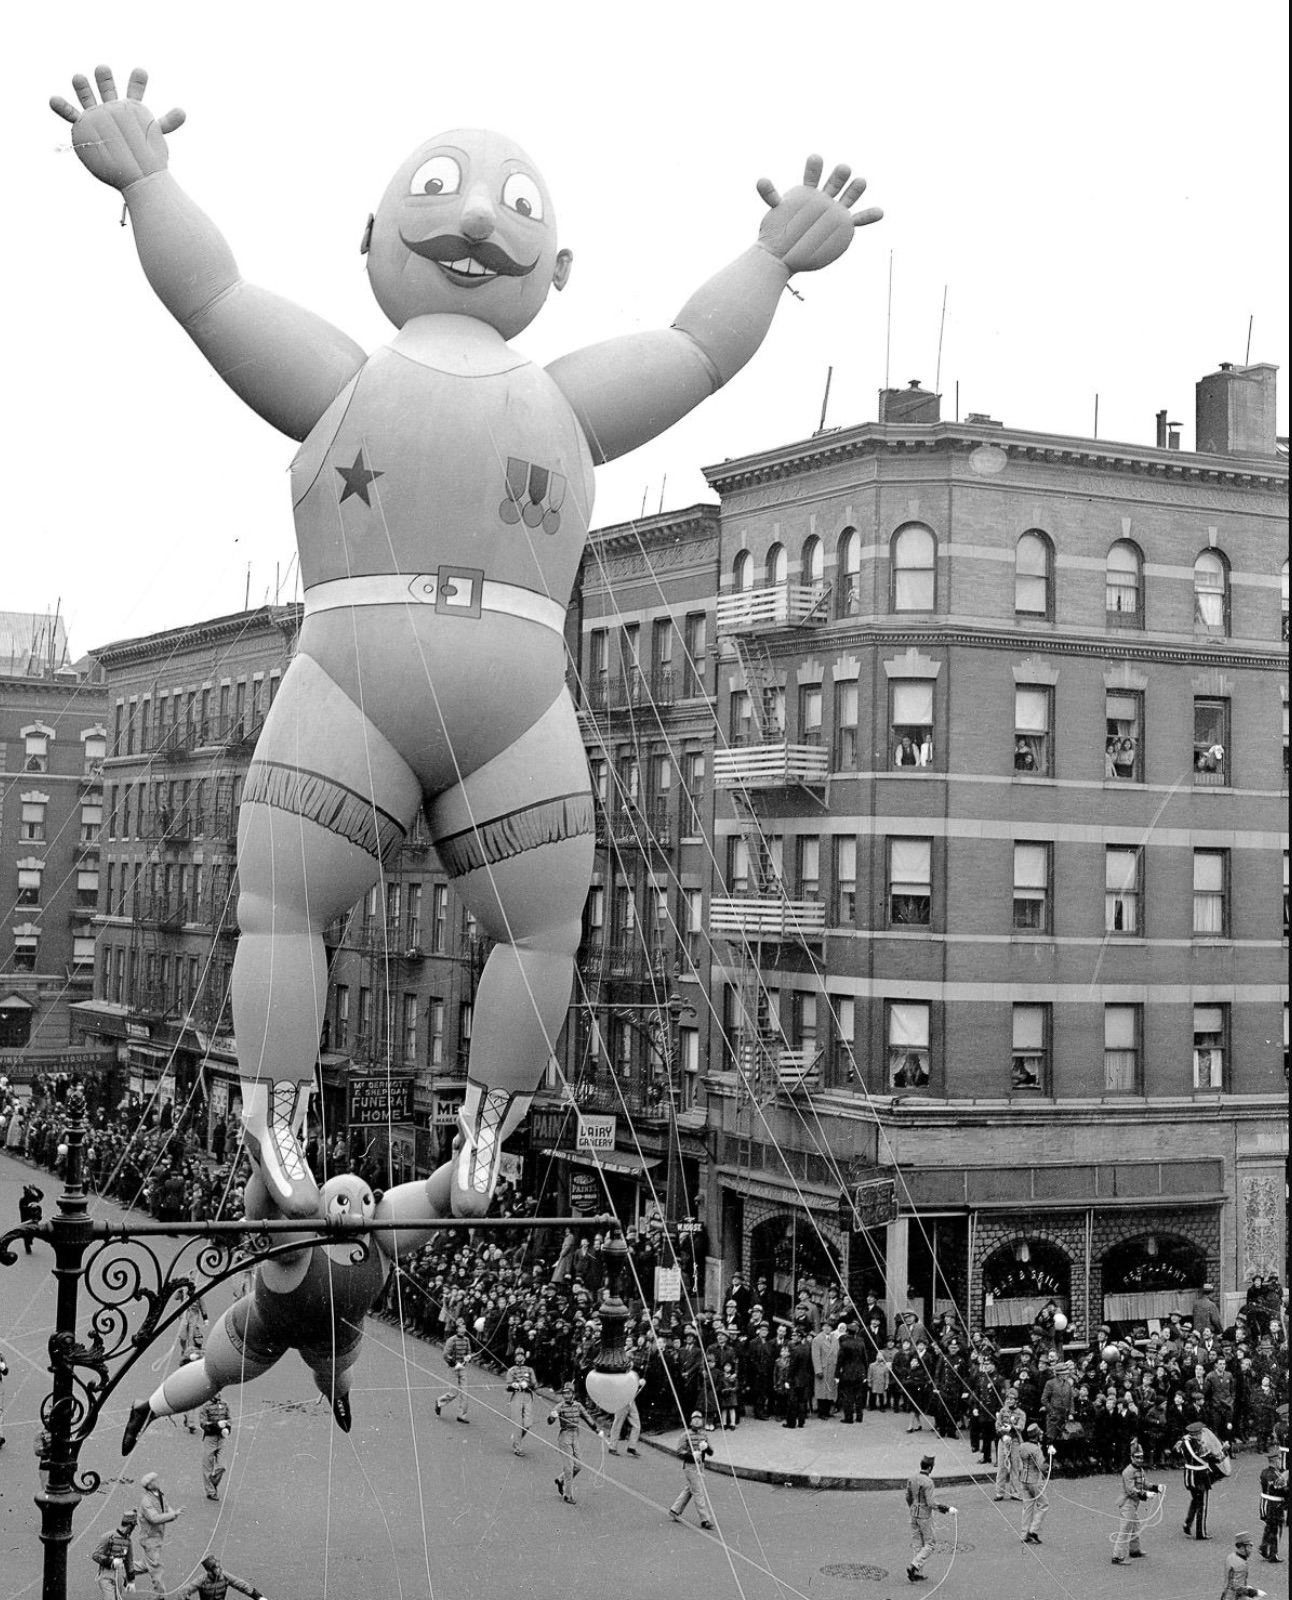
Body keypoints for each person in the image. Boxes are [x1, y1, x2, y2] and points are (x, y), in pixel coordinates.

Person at [50, 67, 881, 1227]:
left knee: (538, 924)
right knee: (288, 906)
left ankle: (485, 1131)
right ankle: (280, 1114)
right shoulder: (353, 378)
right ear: (373, 236)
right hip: (362, 684)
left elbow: (697, 348)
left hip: (489, 702)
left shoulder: (561, 398)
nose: (480, 219)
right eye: (443, 193)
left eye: (513, 205)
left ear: (562, 269)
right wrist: (147, 182)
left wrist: (768, 262)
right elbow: (215, 295)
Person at [546, 1380, 601, 1504]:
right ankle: (567, 1495)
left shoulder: (578, 1406)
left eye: (568, 1393)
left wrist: (596, 1429)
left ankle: (561, 1480)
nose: (566, 1395)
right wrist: (552, 1417)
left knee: (578, 1466)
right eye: (564, 1393)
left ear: (573, 1394)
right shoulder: (560, 1406)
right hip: (564, 1437)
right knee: (569, 1468)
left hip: (575, 1435)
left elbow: (587, 1417)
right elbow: (549, 1421)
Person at [1111, 1438, 1162, 1565]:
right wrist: (1145, 1495)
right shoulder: (1127, 1472)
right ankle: (1117, 1557)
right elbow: (1131, 1491)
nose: (1140, 1460)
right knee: (1125, 1529)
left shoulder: (1140, 1470)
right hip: (1127, 1503)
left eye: (1141, 1457)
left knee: (1135, 1526)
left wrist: (1155, 1487)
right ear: (1132, 1458)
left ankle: (1134, 1550)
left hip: (1134, 1503)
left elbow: (1143, 1483)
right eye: (1137, 1457)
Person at [905, 1453, 953, 1584]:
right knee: (930, 1544)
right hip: (924, 1516)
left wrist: (912, 1507)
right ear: (930, 1468)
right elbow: (931, 1503)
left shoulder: (912, 1478)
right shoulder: (928, 1482)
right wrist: (947, 1509)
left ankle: (916, 1572)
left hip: (913, 1513)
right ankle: (914, 1565)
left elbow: (908, 1496)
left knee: (917, 1544)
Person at [136, 1470, 181, 1596]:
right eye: (155, 1481)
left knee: (148, 1564)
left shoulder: (159, 1495)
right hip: (150, 1538)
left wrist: (173, 1513)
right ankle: (159, 1594)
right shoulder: (146, 1502)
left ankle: (125, 1570)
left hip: (157, 1537)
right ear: (149, 1486)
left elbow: (166, 1507)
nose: (158, 1481)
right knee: (156, 1567)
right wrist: (173, 1514)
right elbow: (154, 1518)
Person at [669, 1411, 715, 1529]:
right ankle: (705, 1519)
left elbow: (711, 1452)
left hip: (700, 1466)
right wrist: (691, 1455)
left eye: (699, 1419)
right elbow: (679, 1452)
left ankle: (675, 1509)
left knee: (690, 1489)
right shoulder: (685, 1435)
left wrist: (706, 1448)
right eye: (694, 1418)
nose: (697, 1421)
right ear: (690, 1421)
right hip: (690, 1466)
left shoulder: (704, 1435)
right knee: (698, 1491)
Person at [175, 1554, 272, 1600]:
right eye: (214, 1568)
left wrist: (258, 1596)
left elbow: (241, 1584)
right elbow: (182, 1593)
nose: (218, 1569)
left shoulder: (225, 1576)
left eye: (218, 1566)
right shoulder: (202, 1580)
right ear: (209, 1570)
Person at [90, 1510, 139, 1599]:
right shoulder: (108, 1537)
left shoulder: (128, 1541)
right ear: (129, 1526)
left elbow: (129, 1561)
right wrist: (110, 1561)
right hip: (106, 1574)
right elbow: (96, 1555)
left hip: (119, 1574)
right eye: (133, 1527)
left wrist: (130, 1581)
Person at [1016, 1422, 1051, 1545]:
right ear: (1036, 1435)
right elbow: (1042, 1466)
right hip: (1035, 1480)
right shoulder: (1036, 1449)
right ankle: (1033, 1531)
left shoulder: (1022, 1446)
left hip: (1024, 1479)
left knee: (1027, 1507)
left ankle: (1024, 1534)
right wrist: (1049, 1458)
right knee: (1044, 1505)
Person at [1181, 1418, 1214, 1540]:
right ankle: (1201, 1532)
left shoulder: (1184, 1443)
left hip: (1189, 1476)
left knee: (1195, 1500)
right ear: (1197, 1434)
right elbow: (1211, 1457)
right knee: (1202, 1505)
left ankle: (1187, 1523)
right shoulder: (1199, 1446)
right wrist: (1224, 1449)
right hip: (1200, 1477)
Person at [436, 1318, 474, 1424]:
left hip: (462, 1368)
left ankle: (462, 1415)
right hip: (452, 1368)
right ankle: (439, 1402)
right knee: (453, 1393)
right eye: (461, 1327)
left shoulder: (467, 1340)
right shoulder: (451, 1340)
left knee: (465, 1392)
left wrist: (468, 1357)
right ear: (457, 1329)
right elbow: (445, 1355)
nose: (464, 1329)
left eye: (465, 1327)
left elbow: (469, 1352)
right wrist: (454, 1363)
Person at [504, 1344, 538, 1456]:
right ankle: (517, 1448)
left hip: (528, 1396)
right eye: (517, 1355)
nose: (519, 1357)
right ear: (515, 1357)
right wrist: (514, 1385)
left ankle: (516, 1438)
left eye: (521, 1355)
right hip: (517, 1396)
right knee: (518, 1423)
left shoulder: (530, 1369)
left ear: (524, 1357)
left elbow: (535, 1385)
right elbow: (508, 1387)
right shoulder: (511, 1370)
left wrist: (527, 1384)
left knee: (527, 1424)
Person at [199, 1392, 232, 1500]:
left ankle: (214, 1480)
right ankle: (211, 1492)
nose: (219, 1394)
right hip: (210, 1438)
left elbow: (229, 1418)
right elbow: (203, 1423)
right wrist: (216, 1425)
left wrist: (228, 1428)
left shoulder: (225, 1404)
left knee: (222, 1466)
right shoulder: (205, 1406)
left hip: (222, 1438)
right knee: (207, 1465)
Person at [606, 1367, 644, 1457]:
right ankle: (612, 1447)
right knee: (617, 1424)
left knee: (637, 1424)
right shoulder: (619, 1375)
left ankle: (632, 1447)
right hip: (622, 1400)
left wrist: (640, 1384)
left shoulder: (634, 1374)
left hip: (631, 1400)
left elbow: (635, 1388)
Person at [1259, 1448, 1287, 1563]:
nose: (1280, 1461)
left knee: (1269, 1527)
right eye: (1279, 1459)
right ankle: (1273, 1554)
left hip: (1265, 1503)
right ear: (1275, 1460)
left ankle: (1264, 1547)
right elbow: (1281, 1490)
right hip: (1274, 1504)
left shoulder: (1264, 1472)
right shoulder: (1275, 1475)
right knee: (1274, 1529)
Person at [1219, 1532, 1262, 1599]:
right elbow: (1238, 1588)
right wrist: (1255, 1593)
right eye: (1249, 1547)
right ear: (1242, 1548)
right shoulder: (1240, 1564)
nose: (1251, 1550)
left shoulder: (1231, 1556)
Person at [18, 1183, 43, 1253]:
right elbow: (24, 1209)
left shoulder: (33, 1198)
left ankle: (30, 1240)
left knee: (32, 1233)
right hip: (25, 1220)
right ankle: (28, 1248)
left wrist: (35, 1189)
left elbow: (41, 1195)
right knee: (26, 1234)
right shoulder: (22, 1201)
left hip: (33, 1220)